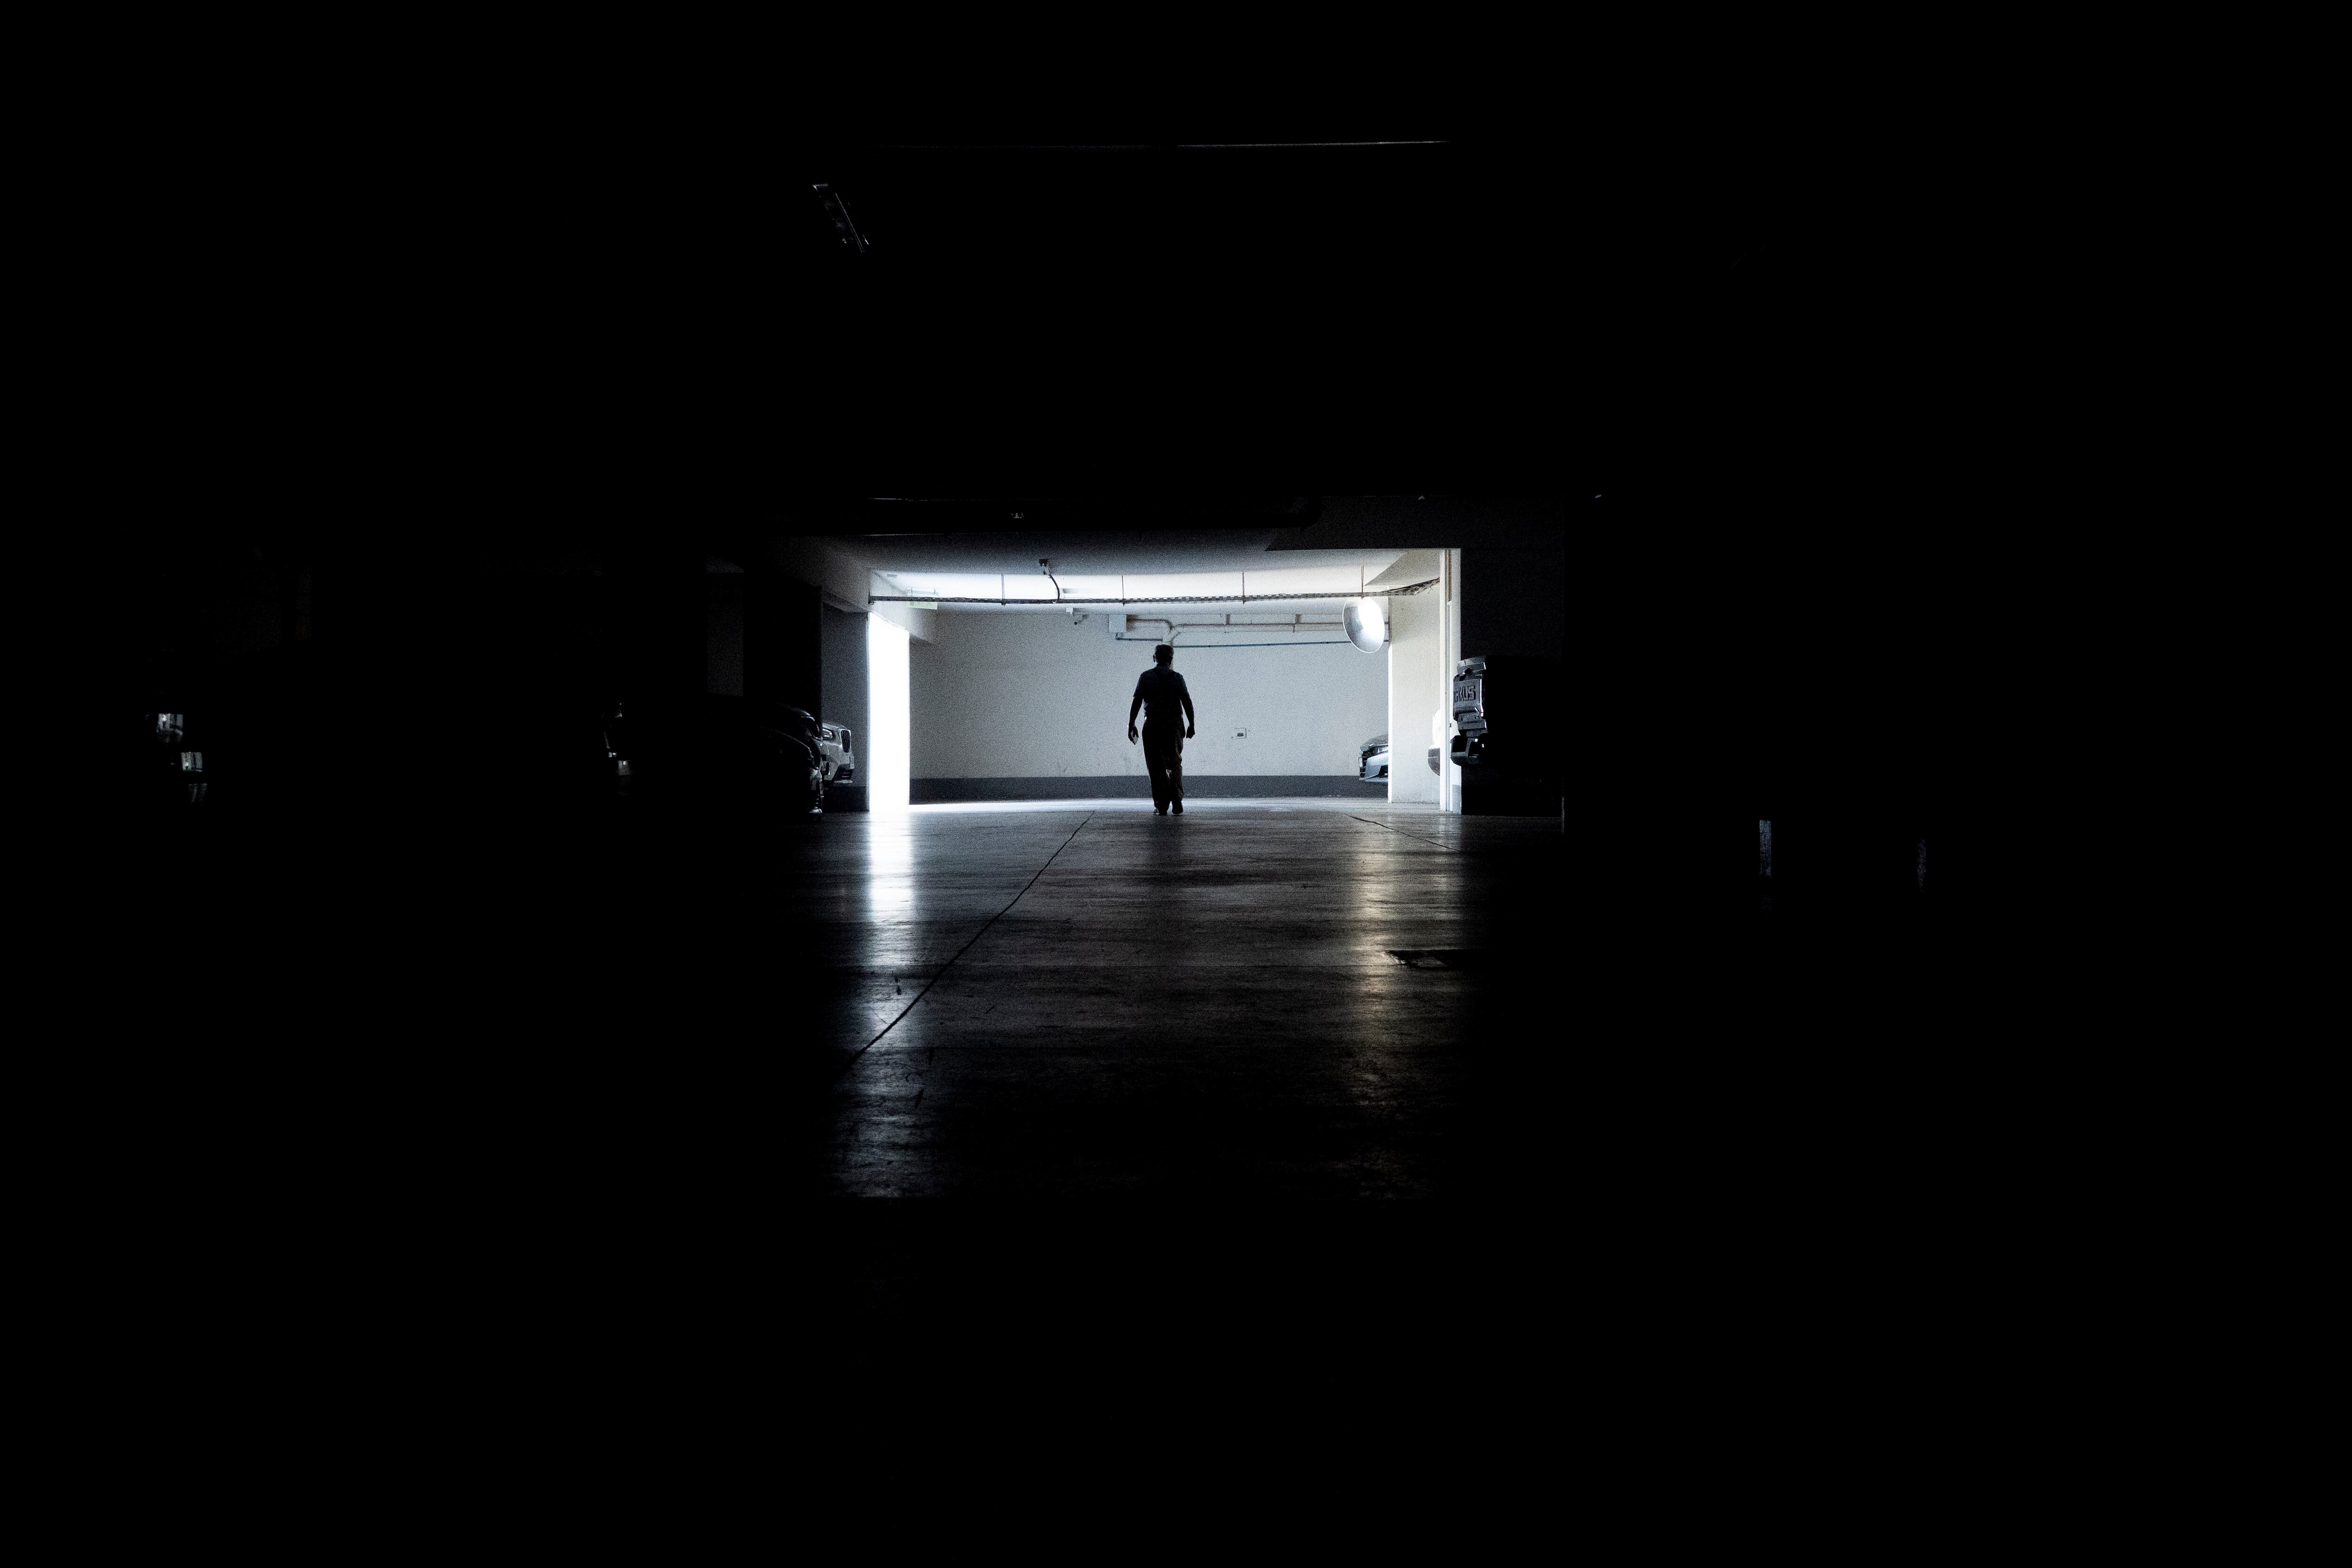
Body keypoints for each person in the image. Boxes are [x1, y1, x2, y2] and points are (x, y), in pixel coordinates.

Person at [1126, 644, 1195, 815]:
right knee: (1175, 761)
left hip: (1153, 724)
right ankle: (1177, 800)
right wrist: (1191, 724)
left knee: (1156, 766)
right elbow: (1187, 702)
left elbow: (1137, 702)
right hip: (1174, 724)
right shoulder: (1178, 678)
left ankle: (1162, 805)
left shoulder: (1146, 676)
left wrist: (1132, 723)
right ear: (1171, 660)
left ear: (1154, 658)